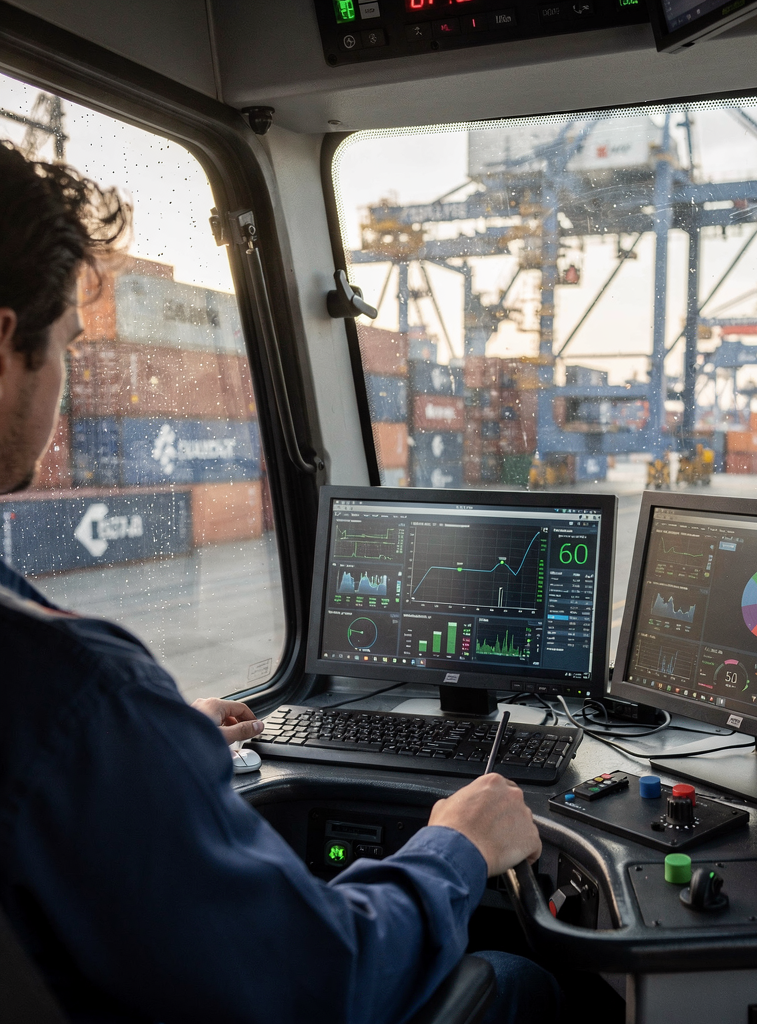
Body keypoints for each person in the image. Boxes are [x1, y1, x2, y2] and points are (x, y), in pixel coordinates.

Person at [0, 139, 561, 1024]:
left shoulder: (79, 708)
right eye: (68, 345)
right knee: (519, 978)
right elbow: (322, 984)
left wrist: (152, 745)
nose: (68, 384)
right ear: (5, 343)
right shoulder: (71, 691)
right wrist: (456, 847)